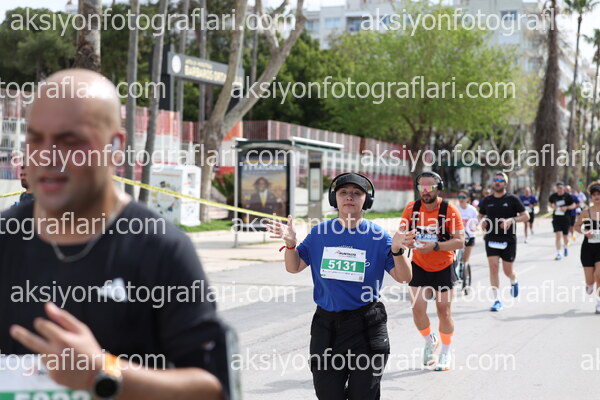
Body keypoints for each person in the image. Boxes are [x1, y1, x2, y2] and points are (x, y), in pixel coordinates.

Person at [0, 69, 230, 399]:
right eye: (36, 139)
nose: (47, 156)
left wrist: (103, 372)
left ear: (115, 146)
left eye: (70, 141)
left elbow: (212, 388)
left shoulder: (160, 248)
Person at [267, 172, 413, 400]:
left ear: (367, 200)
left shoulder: (378, 236)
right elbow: (294, 267)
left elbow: (404, 277)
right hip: (327, 327)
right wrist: (291, 245)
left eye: (357, 193)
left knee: (363, 395)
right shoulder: (320, 233)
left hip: (366, 324)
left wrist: (397, 251)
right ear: (334, 198)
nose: (349, 197)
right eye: (343, 192)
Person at [400, 171, 464, 371]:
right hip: (419, 265)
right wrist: (407, 241)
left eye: (430, 187)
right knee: (417, 310)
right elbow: (401, 235)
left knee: (443, 311)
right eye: (422, 187)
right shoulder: (411, 209)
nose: (425, 191)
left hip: (443, 266)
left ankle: (446, 351)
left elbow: (460, 241)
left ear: (438, 188)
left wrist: (435, 246)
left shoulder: (449, 210)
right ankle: (430, 340)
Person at [478, 172, 529, 312]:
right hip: (491, 238)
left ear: (505, 184)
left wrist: (511, 220)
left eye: (500, 180)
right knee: (493, 268)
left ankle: (513, 280)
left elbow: (526, 216)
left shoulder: (513, 199)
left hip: (508, 240)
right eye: (495, 180)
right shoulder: (487, 200)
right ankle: (497, 300)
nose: (497, 182)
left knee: (508, 271)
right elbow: (480, 215)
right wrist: (482, 221)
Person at [574, 181, 600, 314]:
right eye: (594, 194)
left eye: (599, 194)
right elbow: (576, 226)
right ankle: (589, 284)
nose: (597, 196)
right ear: (591, 197)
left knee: (599, 275)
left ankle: (598, 303)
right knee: (590, 279)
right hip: (588, 248)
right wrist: (585, 232)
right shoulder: (586, 212)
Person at [549, 182, 577, 260]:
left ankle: (565, 247)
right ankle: (558, 252)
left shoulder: (568, 196)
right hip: (556, 218)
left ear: (563, 188)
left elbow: (574, 205)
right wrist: (552, 206)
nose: (559, 189)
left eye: (561, 188)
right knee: (558, 235)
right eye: (558, 188)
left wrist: (567, 207)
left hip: (566, 218)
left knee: (565, 236)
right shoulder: (553, 196)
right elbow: (550, 203)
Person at [457, 189, 478, 267]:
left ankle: (465, 272)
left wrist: (474, 227)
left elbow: (477, 221)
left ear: (468, 199)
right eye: (459, 197)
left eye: (463, 197)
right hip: (458, 237)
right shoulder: (455, 209)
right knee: (455, 259)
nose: (461, 199)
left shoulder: (472, 210)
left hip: (469, 236)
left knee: (465, 260)